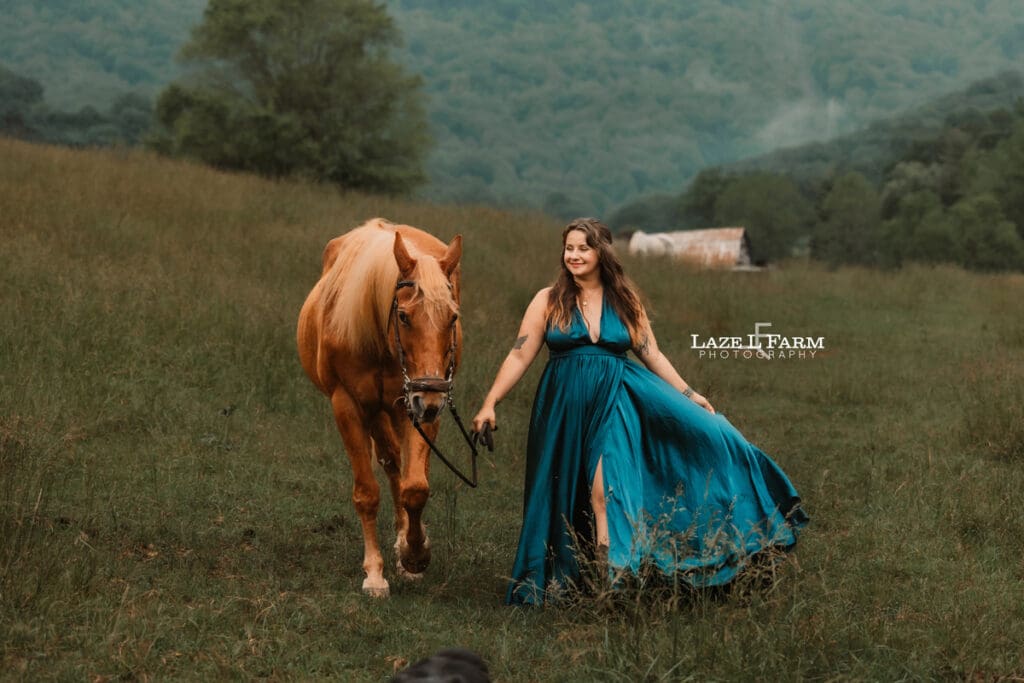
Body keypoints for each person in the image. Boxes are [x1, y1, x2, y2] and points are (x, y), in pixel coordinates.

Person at [472, 217, 808, 605]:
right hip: (561, 408)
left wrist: (688, 393)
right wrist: (489, 402)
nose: (575, 255)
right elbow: (520, 353)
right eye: (569, 248)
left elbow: (651, 353)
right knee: (559, 489)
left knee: (605, 492)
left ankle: (610, 586)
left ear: (601, 252)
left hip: (614, 399)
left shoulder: (624, 300)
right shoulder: (547, 299)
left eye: (584, 248)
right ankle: (567, 576)